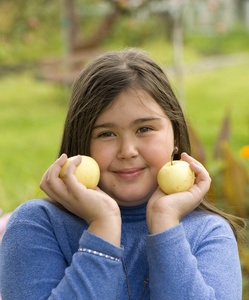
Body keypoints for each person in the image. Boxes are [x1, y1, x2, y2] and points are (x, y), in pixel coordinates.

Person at [0, 49, 244, 300]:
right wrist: (103, 226)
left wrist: (165, 225)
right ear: (82, 144)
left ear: (176, 138)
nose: (127, 151)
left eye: (145, 128)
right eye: (106, 133)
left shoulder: (208, 233)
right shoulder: (38, 225)